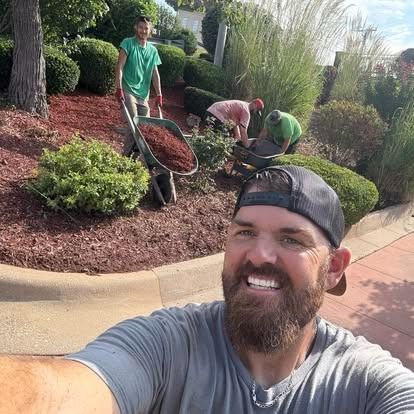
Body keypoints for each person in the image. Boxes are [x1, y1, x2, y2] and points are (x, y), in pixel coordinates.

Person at [0, 166, 413, 413]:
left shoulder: (362, 382)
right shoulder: (167, 345)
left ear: (334, 268)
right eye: (244, 232)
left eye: (292, 240)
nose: (260, 254)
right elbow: (77, 387)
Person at [115, 15, 162, 155]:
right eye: (141, 27)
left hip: (144, 95)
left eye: (146, 28)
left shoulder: (153, 51)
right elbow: (120, 66)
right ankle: (125, 158)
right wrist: (119, 88)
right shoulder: (127, 43)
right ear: (136, 28)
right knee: (134, 122)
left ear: (150, 30)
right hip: (128, 90)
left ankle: (134, 158)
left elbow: (155, 73)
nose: (143, 30)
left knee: (144, 128)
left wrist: (159, 94)